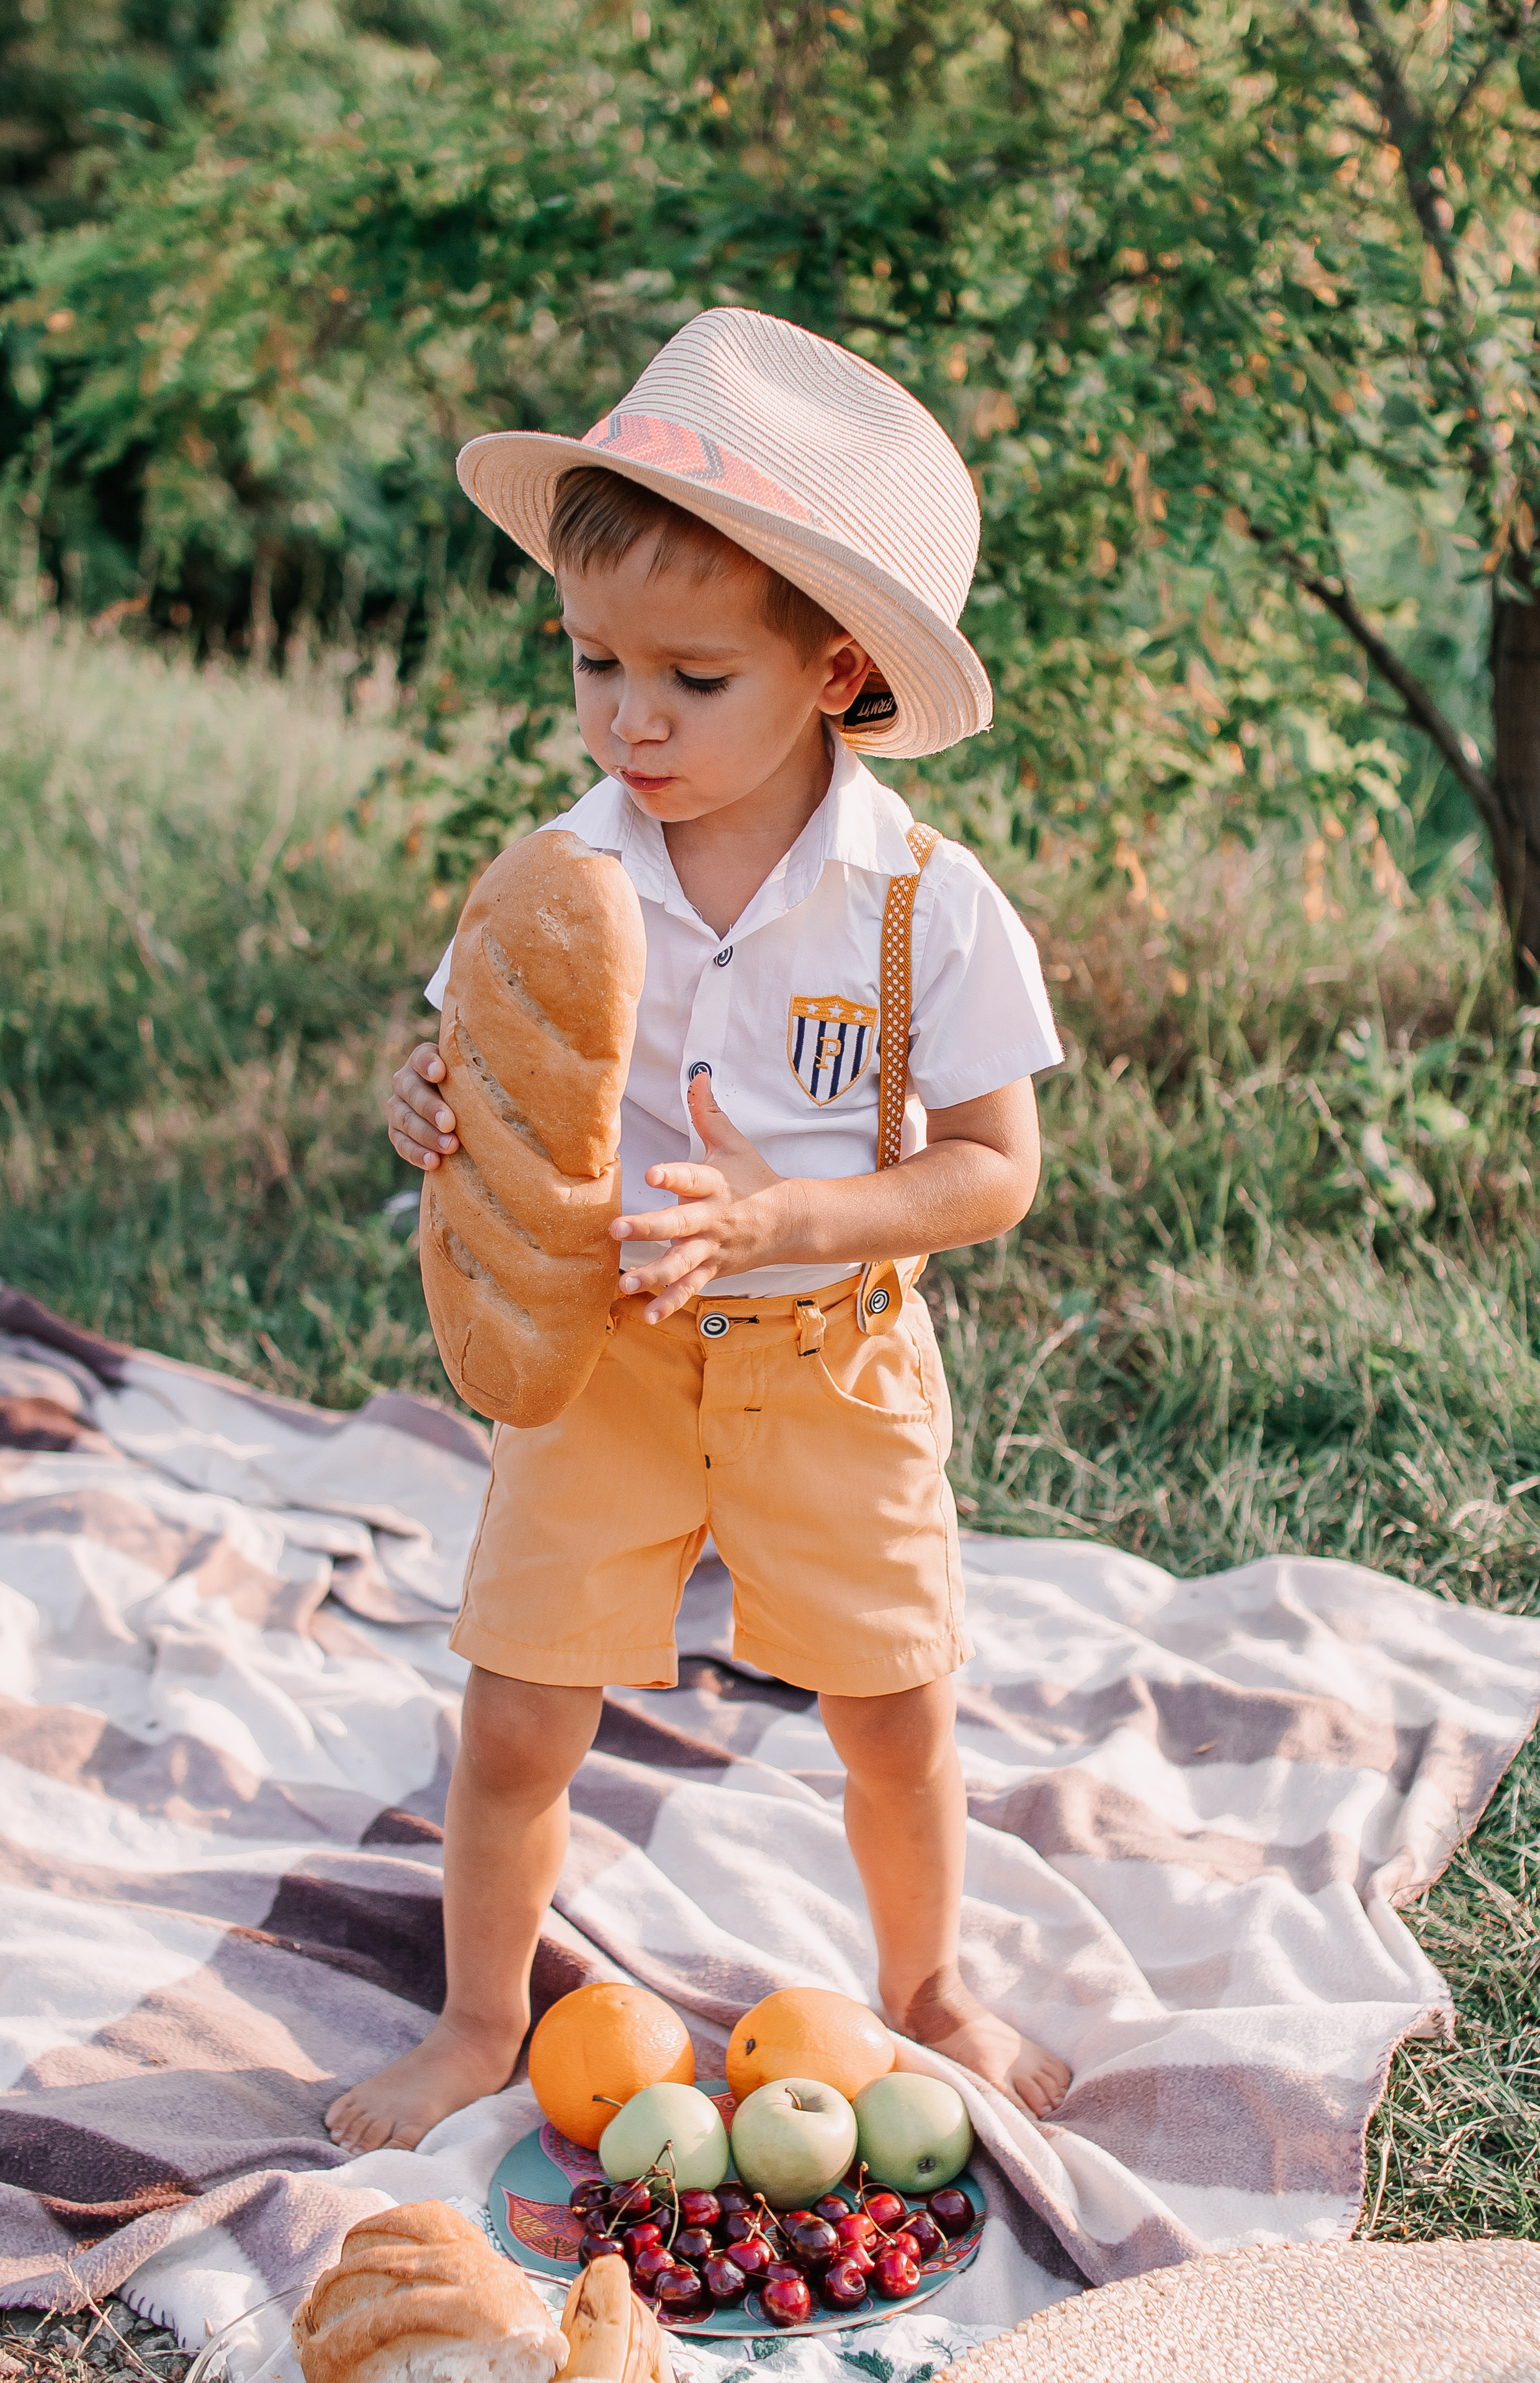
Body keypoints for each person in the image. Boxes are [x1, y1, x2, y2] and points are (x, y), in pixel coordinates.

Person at [326, 308, 1072, 2155]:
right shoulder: (559, 879)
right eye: (592, 664)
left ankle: (925, 1985)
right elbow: (479, 1071)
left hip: (833, 1360)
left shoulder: (922, 905)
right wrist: (425, 1110)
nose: (629, 718)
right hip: (601, 1369)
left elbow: (993, 1168)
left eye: (691, 677)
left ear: (832, 670)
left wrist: (783, 1212)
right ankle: (485, 2018)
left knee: (894, 1717)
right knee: (514, 1721)